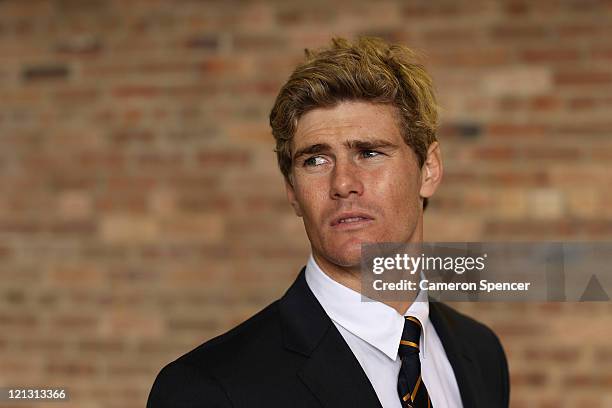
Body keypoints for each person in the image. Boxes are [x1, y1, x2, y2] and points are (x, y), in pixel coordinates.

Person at [147, 37, 509, 408]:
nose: (342, 184)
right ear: (292, 190)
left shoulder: (480, 354)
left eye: (369, 153)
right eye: (315, 161)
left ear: (429, 169)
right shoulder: (205, 390)